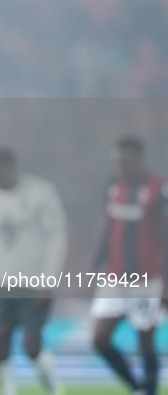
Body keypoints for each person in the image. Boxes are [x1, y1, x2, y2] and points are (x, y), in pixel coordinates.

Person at [0, 147, 67, 395]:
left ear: (12, 168)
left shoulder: (41, 193)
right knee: (0, 336)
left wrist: (49, 280)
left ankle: (54, 385)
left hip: (34, 281)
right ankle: (8, 391)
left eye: (0, 172)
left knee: (31, 344)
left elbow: (57, 237)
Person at [91, 136, 168, 395]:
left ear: (139, 159)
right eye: (117, 161)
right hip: (115, 277)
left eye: (125, 160)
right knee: (99, 339)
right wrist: (96, 261)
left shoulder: (159, 188)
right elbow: (109, 225)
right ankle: (138, 388)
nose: (120, 166)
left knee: (145, 338)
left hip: (147, 278)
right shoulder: (112, 185)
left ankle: (149, 389)